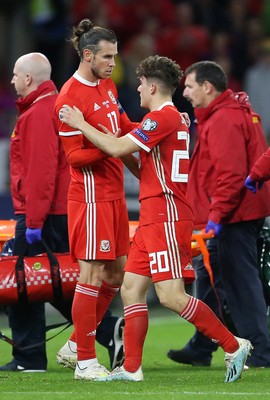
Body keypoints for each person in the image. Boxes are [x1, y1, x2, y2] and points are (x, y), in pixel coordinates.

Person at [58, 54, 252, 383]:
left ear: (151, 86)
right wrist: (105, 134)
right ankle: (132, 368)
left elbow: (119, 149)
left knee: (171, 296)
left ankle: (233, 346)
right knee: (131, 290)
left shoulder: (161, 119)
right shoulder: (167, 120)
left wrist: (81, 124)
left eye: (139, 84)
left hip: (166, 214)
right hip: (153, 215)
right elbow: (140, 163)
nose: (136, 89)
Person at [0, 52, 124, 373]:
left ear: (28, 79)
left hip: (43, 212)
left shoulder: (39, 112)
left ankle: (29, 358)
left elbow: (40, 173)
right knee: (57, 281)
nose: (12, 81)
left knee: (26, 283)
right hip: (54, 210)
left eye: (16, 75)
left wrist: (33, 223)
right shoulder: (46, 107)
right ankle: (108, 330)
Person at [167, 61, 270, 368]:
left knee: (240, 285)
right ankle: (203, 344)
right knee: (210, 279)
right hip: (237, 210)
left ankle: (261, 352)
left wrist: (216, 217)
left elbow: (229, 176)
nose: (185, 93)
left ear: (208, 87)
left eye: (189, 86)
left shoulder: (223, 119)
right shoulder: (225, 114)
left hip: (234, 214)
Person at [54, 19, 137, 381]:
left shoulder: (106, 86)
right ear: (87, 55)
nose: (112, 64)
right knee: (91, 274)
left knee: (117, 274)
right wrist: (112, 148)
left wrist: (156, 127)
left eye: (115, 57)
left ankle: (75, 344)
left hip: (114, 192)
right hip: (89, 198)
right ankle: (85, 362)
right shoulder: (69, 98)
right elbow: (74, 157)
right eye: (106, 57)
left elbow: (120, 123)